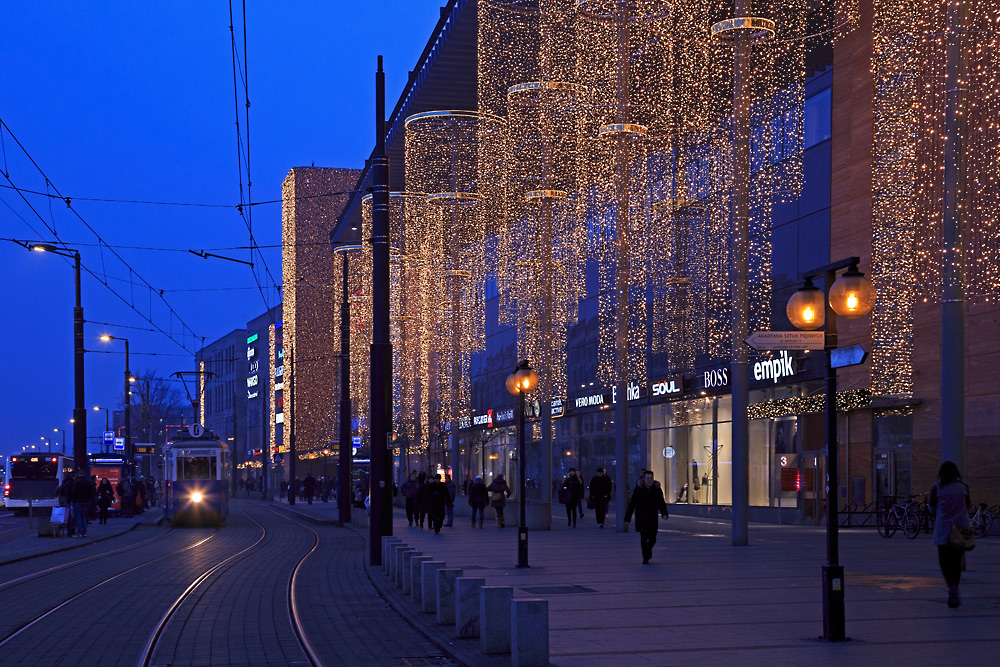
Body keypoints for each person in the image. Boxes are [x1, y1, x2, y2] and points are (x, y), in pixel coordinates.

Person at [929, 461, 973, 608]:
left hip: (943, 530)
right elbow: (967, 506)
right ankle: (955, 587)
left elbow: (932, 508)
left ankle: (951, 588)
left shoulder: (937, 488)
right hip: (960, 530)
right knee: (956, 562)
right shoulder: (963, 488)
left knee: (944, 561)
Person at [624, 470, 669, 564]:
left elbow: (661, 503)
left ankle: (648, 550)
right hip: (641, 517)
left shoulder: (657, 489)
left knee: (653, 538)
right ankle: (645, 556)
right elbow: (632, 505)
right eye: (648, 478)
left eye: (651, 478)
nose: (650, 480)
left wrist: (664, 514)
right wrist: (627, 519)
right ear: (644, 479)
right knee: (643, 537)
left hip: (653, 517)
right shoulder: (639, 490)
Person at [71, 472, 95, 537]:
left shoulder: (76, 482)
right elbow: (91, 492)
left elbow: (74, 492)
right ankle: (84, 531)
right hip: (85, 501)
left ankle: (79, 531)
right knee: (84, 516)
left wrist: (73, 499)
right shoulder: (88, 482)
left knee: (78, 516)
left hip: (78, 501)